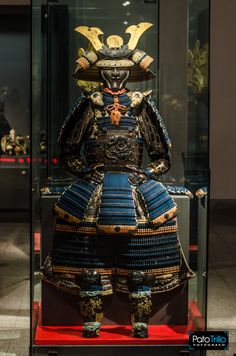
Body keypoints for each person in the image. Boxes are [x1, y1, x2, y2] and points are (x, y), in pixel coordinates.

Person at [41, 22, 194, 338]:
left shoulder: (141, 105)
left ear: (129, 73)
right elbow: (68, 150)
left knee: (144, 253)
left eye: (120, 70)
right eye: (109, 70)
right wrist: (85, 172)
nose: (114, 76)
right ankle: (91, 315)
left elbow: (162, 156)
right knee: (88, 256)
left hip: (136, 187)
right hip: (94, 186)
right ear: (99, 73)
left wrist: (147, 174)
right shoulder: (89, 104)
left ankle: (141, 317)